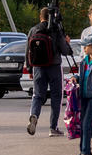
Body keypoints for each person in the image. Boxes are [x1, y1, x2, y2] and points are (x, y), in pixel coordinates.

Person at [26, 7, 74, 137]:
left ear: (40, 17)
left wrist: (30, 68)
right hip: (54, 66)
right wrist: (67, 44)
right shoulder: (55, 30)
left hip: (38, 67)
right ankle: (53, 128)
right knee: (56, 97)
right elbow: (64, 50)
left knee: (37, 95)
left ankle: (34, 115)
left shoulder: (33, 30)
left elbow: (28, 51)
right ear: (52, 16)